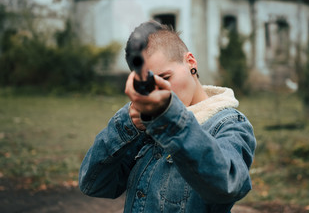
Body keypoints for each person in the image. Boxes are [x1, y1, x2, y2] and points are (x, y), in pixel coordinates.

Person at [79, 20, 256, 213]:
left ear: (191, 62)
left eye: (165, 78)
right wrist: (127, 124)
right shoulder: (145, 126)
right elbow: (94, 184)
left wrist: (170, 119)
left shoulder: (229, 123)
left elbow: (228, 187)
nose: (162, 91)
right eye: (150, 85)